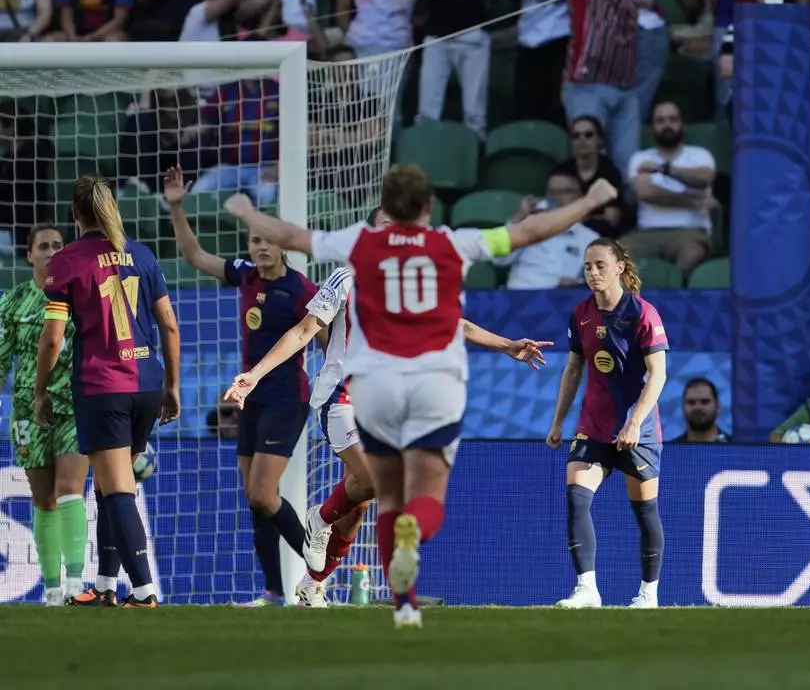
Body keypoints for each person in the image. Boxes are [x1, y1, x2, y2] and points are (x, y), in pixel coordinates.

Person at [220, 164, 620, 628]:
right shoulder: (434, 250)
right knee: (395, 493)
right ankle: (383, 581)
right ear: (427, 209)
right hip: (378, 395)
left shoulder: (363, 250)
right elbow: (527, 231)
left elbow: (290, 234)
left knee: (372, 498)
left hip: (390, 395)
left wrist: (248, 211)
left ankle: (317, 576)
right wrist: (589, 203)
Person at [163, 165, 316, 607]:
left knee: (262, 493)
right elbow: (194, 256)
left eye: (267, 239)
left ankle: (320, 565)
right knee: (255, 500)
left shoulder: (301, 290)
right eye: (254, 240)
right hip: (252, 398)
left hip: (287, 399)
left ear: (283, 245)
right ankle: (276, 592)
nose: (260, 247)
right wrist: (176, 206)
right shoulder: (246, 276)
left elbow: (325, 339)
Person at [36, 177, 181, 608]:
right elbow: (169, 325)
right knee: (106, 484)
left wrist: (41, 390)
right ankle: (104, 584)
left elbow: (52, 340)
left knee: (117, 489)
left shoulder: (67, 261)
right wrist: (172, 385)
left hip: (104, 385)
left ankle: (144, 591)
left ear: (75, 214)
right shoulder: (141, 253)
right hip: (147, 382)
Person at [545, 238, 669, 609]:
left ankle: (648, 593)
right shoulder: (580, 313)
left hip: (638, 431)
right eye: (587, 266)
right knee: (576, 496)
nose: (593, 273)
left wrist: (634, 422)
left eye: (600, 265)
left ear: (619, 268)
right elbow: (572, 369)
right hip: (593, 424)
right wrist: (557, 422)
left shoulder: (643, 313)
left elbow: (658, 375)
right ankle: (587, 589)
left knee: (645, 510)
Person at [0, 225, 89, 605]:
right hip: (26, 409)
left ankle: (75, 583)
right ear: (29, 255)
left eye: (58, 245)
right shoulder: (13, 301)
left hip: (73, 404)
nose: (52, 251)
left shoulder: (81, 297)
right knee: (43, 500)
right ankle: (51, 589)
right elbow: (2, 356)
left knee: (70, 489)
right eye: (44, 246)